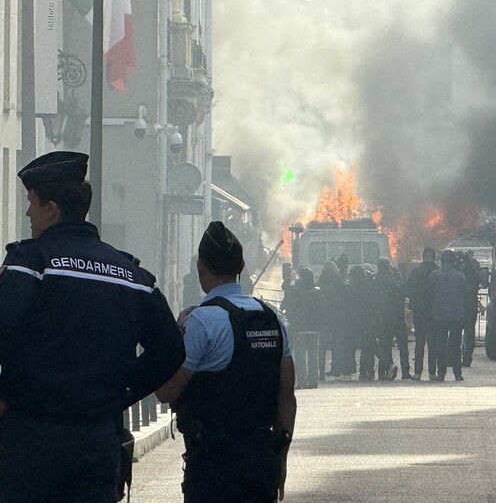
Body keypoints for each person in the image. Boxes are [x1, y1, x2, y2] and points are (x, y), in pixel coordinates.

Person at [0, 151, 185, 503]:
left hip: (31, 438)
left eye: (31, 202)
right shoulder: (131, 275)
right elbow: (171, 349)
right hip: (99, 438)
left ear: (51, 209)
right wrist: (121, 391)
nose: (27, 214)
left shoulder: (31, 262)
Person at [156, 221, 296, 503]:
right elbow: (286, 398)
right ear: (241, 266)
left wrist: (177, 333)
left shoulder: (201, 322)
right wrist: (280, 461)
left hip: (213, 468)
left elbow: (166, 392)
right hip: (261, 463)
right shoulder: (272, 319)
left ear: (200, 267)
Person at [428, 250, 470, 382]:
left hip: (439, 314)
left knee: (441, 344)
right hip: (456, 314)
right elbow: (467, 293)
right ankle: (457, 373)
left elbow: (428, 292)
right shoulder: (460, 276)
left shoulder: (434, 276)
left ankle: (441, 373)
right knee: (455, 345)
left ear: (442, 261)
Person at [281, 266, 322, 388]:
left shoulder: (295, 291)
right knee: (314, 354)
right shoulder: (317, 291)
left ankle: (302, 381)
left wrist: (288, 280)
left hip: (299, 326)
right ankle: (314, 381)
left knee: (300, 354)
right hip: (314, 326)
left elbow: (286, 301)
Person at [405, 247, 439, 380]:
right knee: (432, 343)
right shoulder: (437, 272)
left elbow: (408, 289)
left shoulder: (416, 271)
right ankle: (432, 373)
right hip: (434, 312)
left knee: (419, 342)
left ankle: (418, 373)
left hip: (419, 311)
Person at [374, 257, 410, 380]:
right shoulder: (396, 280)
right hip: (398, 316)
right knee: (403, 346)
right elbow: (404, 292)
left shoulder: (377, 280)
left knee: (386, 346)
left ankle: (386, 369)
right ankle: (405, 371)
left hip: (385, 318)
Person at [349, 265, 379, 380]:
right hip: (368, 320)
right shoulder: (368, 287)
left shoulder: (351, 288)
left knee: (365, 346)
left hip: (356, 320)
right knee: (369, 346)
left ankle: (363, 372)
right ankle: (369, 371)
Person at [460, 251, 482, 367]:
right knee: (469, 333)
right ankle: (467, 357)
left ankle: (454, 356)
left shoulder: (460, 272)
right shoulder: (474, 273)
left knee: (456, 332)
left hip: (459, 306)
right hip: (471, 306)